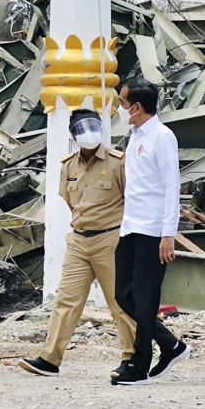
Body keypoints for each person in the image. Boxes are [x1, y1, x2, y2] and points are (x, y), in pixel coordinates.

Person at [19, 109, 136, 378]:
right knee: (65, 300)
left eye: (93, 126)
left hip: (111, 240)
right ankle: (50, 358)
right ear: (73, 135)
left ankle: (131, 358)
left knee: (120, 302)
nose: (89, 133)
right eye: (82, 129)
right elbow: (71, 203)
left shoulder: (119, 163)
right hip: (79, 242)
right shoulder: (68, 165)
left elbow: (133, 201)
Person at [111, 77, 190, 386]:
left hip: (152, 231)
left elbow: (172, 186)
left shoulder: (162, 136)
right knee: (123, 295)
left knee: (144, 300)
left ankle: (139, 367)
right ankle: (170, 344)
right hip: (131, 226)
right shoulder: (135, 136)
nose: (119, 108)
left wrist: (168, 234)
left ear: (138, 107)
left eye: (122, 103)